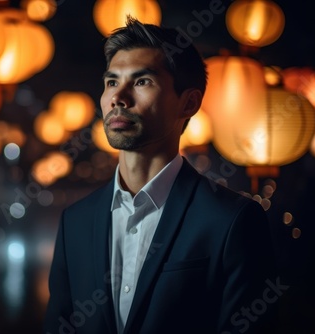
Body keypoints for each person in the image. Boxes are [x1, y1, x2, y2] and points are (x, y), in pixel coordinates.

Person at [43, 17, 278, 334]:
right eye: (112, 82)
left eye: (141, 82)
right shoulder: (75, 221)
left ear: (189, 103)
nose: (118, 98)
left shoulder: (230, 221)